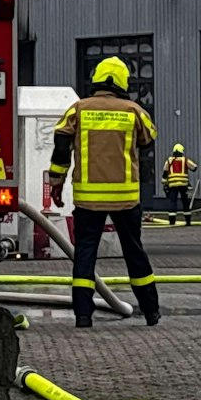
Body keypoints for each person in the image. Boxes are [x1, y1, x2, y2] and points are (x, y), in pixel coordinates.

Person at [47, 56, 162, 328]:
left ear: (96, 79)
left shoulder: (78, 110)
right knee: (134, 252)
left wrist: (56, 181)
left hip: (88, 199)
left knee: (85, 253)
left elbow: (61, 146)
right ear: (123, 81)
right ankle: (151, 311)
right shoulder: (134, 111)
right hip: (125, 199)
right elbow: (149, 138)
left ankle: (83, 315)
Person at [160, 143, 198, 225]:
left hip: (172, 185)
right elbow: (194, 167)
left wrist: (164, 183)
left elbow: (165, 172)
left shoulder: (169, 160)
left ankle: (172, 221)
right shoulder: (185, 160)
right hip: (183, 185)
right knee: (185, 202)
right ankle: (188, 221)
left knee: (172, 202)